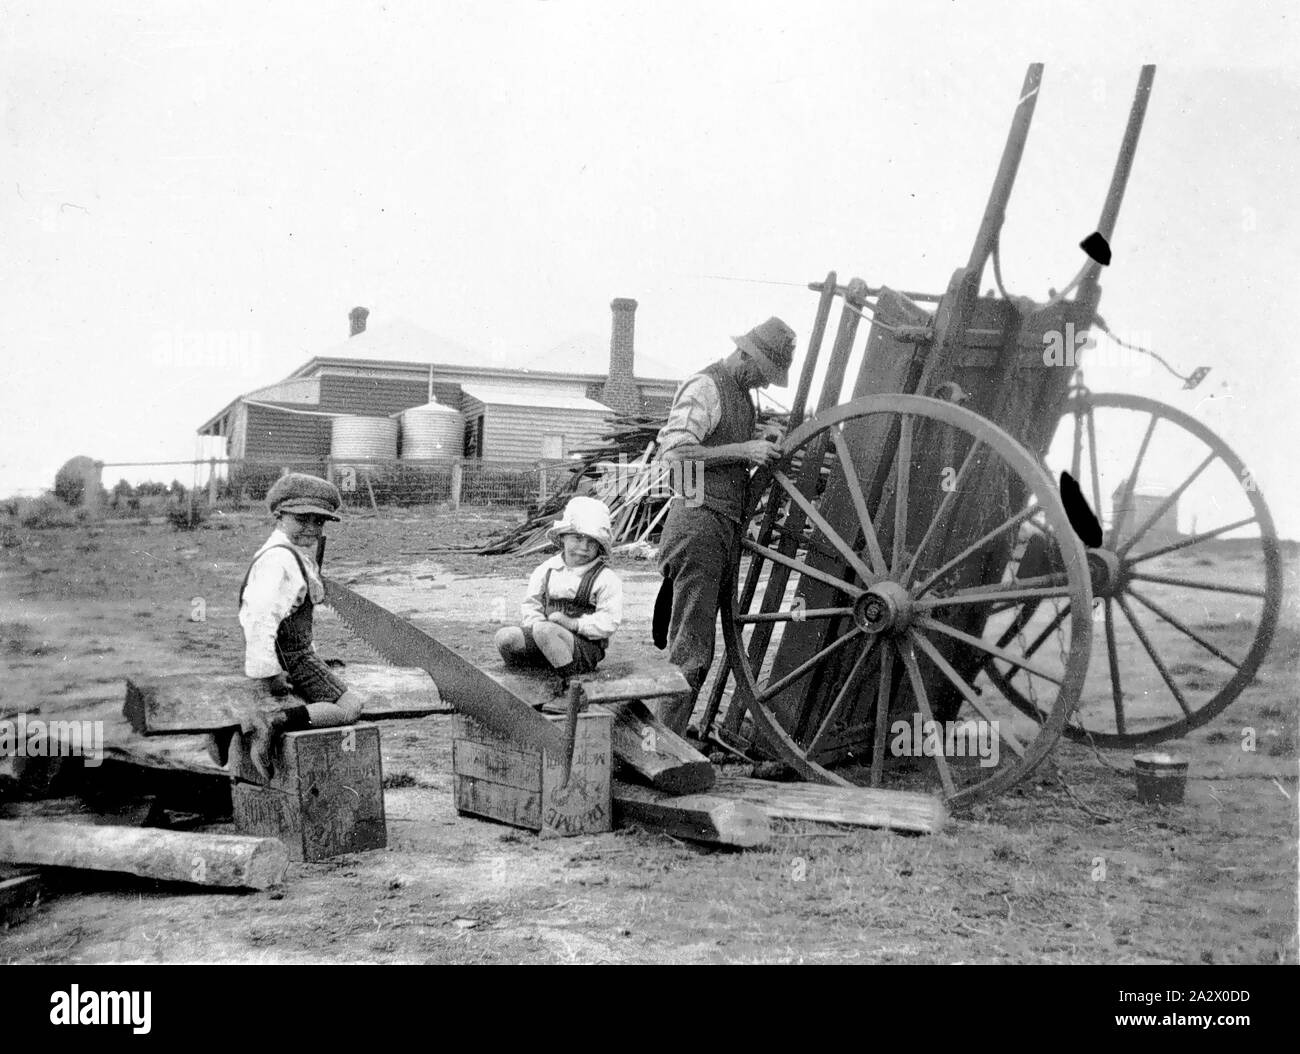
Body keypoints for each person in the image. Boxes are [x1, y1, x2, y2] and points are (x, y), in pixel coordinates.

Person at [654, 316, 796, 736]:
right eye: (762, 373)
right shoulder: (705, 386)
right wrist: (744, 449)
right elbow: (677, 454)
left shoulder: (741, 395)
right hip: (697, 522)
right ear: (745, 355)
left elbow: (724, 449)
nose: (764, 383)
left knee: (698, 643)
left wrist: (758, 441)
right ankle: (663, 745)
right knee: (691, 648)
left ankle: (670, 738)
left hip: (720, 525)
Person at [221, 472, 361, 779]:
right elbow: (260, 619)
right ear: (278, 515)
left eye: (319, 521)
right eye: (302, 519)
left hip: (293, 654)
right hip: (288, 658)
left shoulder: (291, 555)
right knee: (351, 707)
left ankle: (231, 733)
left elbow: (296, 617)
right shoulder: (279, 561)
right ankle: (275, 722)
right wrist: (269, 673)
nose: (311, 528)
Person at [494, 496, 623, 685]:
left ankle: (571, 686)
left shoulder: (605, 578)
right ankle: (524, 682)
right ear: (563, 537)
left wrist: (573, 624)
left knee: (546, 631)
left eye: (592, 542)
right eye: (577, 539)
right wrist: (537, 626)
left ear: (600, 546)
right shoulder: (546, 570)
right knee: (505, 637)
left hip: (583, 649)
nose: (584, 547)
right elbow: (531, 606)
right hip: (546, 637)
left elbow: (608, 622)